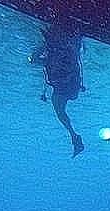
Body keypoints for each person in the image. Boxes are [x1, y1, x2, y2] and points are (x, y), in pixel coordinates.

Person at [29, 20, 85, 157]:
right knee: (60, 111)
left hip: (65, 86)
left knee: (60, 111)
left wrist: (43, 50)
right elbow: (34, 59)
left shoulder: (57, 50)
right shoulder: (56, 50)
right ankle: (74, 136)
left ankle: (74, 136)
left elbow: (34, 59)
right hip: (65, 86)